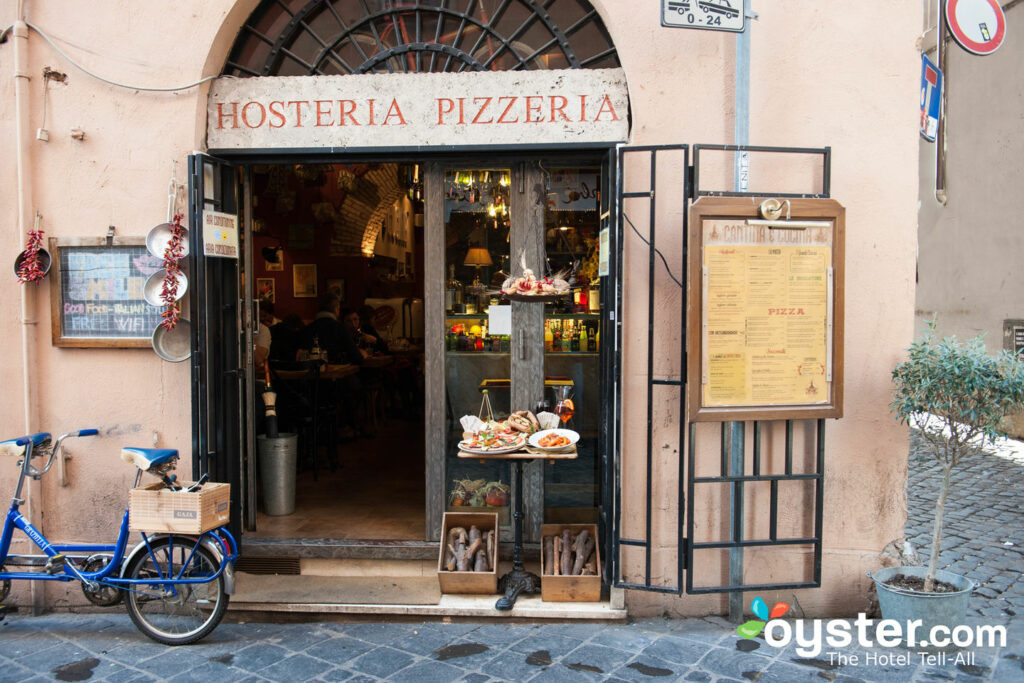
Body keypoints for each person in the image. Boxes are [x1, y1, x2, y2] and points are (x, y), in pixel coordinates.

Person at [254, 301, 276, 367]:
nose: (261, 319)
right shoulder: (258, 327)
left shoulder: (265, 330)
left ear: (271, 314)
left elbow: (259, 360)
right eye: (259, 316)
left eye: (264, 316)